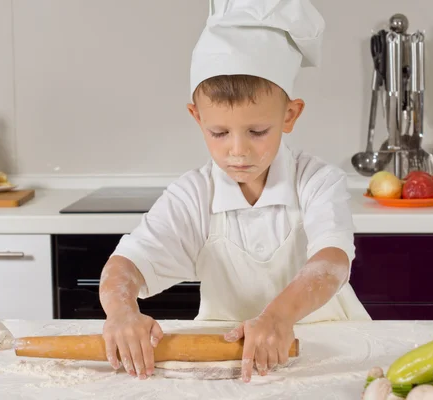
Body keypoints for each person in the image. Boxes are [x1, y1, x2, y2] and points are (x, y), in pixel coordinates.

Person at [99, 0, 371, 384]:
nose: (238, 150)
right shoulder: (193, 195)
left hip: (331, 351)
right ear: (197, 117)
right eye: (219, 133)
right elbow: (125, 265)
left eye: (257, 132)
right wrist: (122, 313)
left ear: (289, 115)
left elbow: (332, 260)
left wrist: (278, 316)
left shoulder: (317, 181)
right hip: (228, 362)